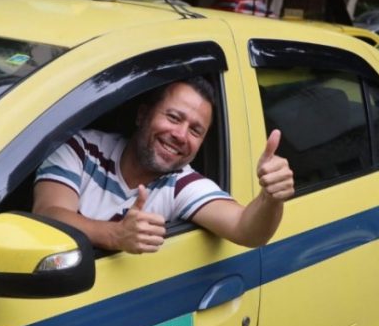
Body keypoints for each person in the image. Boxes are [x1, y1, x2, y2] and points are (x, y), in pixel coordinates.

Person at [32, 76, 294, 254]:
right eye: (173, 117)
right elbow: (48, 212)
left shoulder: (182, 184)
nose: (180, 135)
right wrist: (115, 235)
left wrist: (271, 198)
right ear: (143, 115)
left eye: (195, 130)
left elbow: (247, 230)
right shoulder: (82, 148)